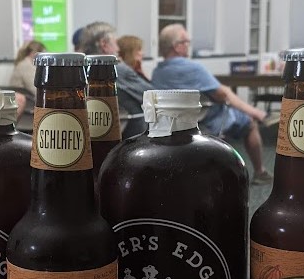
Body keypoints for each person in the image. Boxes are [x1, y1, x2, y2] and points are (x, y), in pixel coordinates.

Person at [151, 24, 273, 184]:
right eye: (187, 42)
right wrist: (251, 110)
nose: (188, 46)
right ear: (177, 46)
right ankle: (260, 172)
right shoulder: (193, 68)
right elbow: (222, 95)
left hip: (172, 124)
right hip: (206, 121)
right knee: (250, 123)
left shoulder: (157, 72)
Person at [81, 21, 152, 138]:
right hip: (130, 136)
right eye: (115, 43)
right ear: (104, 44)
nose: (118, 48)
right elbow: (152, 95)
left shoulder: (80, 68)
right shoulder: (116, 69)